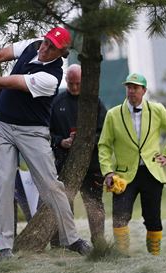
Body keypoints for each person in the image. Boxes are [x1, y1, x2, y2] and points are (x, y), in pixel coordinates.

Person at [0, 26, 91, 258]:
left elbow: (4, 83)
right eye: (45, 42)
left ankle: (71, 239)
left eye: (51, 47)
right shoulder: (33, 45)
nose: (44, 48)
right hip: (1, 127)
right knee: (4, 181)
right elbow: (1, 55)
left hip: (32, 133)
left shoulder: (50, 78)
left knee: (51, 185)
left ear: (61, 52)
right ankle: (4, 245)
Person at [98, 73, 166, 255]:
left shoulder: (157, 110)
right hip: (123, 176)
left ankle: (154, 257)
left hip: (152, 173)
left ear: (144, 90)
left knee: (153, 219)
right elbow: (104, 146)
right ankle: (122, 255)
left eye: (135, 87)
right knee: (120, 218)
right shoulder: (113, 115)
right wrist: (107, 172)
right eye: (129, 87)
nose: (131, 91)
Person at [49, 64, 107, 246]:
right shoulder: (56, 103)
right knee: (64, 203)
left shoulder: (93, 102)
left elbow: (104, 132)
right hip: (65, 163)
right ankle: (62, 243)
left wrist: (85, 140)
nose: (74, 87)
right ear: (66, 80)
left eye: (78, 84)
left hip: (92, 164)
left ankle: (99, 243)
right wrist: (61, 141)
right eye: (71, 83)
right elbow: (46, 133)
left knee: (95, 204)